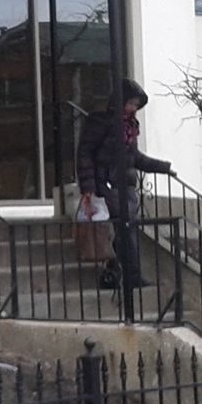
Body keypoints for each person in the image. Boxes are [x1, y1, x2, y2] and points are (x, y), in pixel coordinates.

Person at [76, 79, 172, 289]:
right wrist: (89, 188)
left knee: (123, 230)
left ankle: (116, 272)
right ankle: (131, 274)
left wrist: (163, 167)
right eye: (130, 103)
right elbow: (85, 154)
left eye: (136, 105)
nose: (133, 108)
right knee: (124, 229)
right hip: (106, 184)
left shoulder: (130, 127)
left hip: (125, 187)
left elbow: (134, 157)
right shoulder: (100, 122)